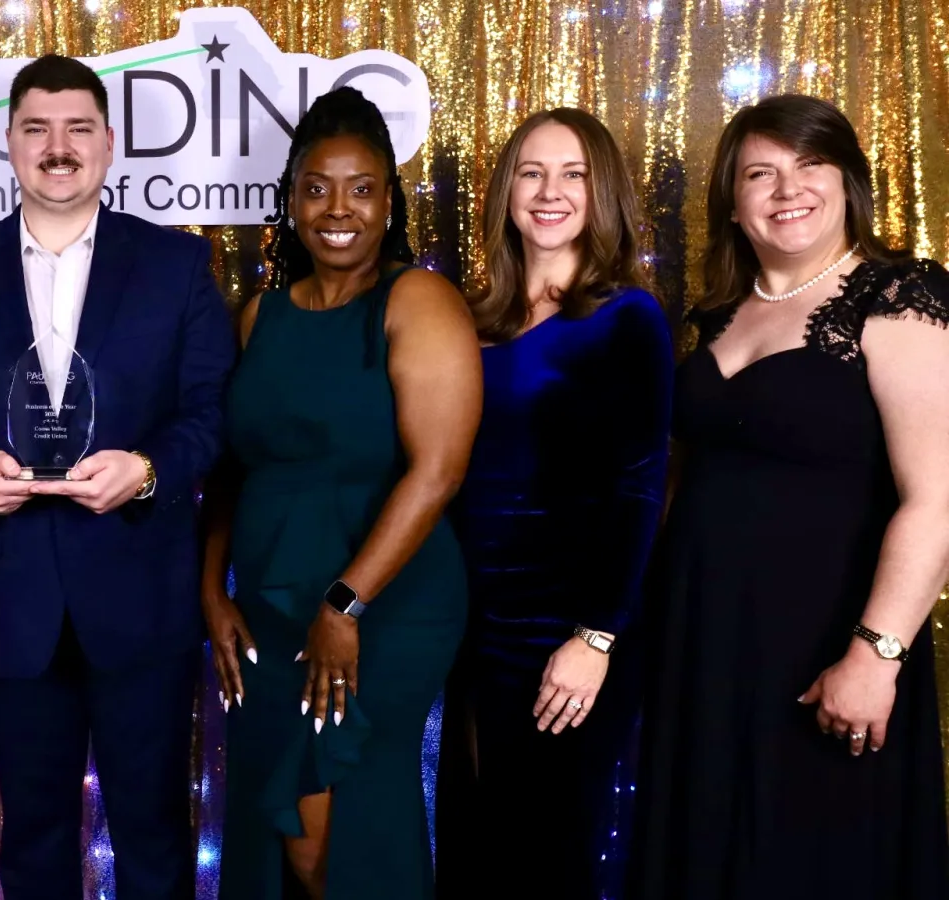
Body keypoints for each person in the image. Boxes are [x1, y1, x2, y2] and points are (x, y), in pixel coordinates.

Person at [0, 54, 234, 900]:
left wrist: (149, 470)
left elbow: (212, 413)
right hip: (16, 603)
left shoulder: (175, 266)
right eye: (37, 129)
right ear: (7, 143)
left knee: (153, 832)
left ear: (109, 144)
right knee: (35, 839)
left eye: (78, 127)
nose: (58, 146)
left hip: (141, 601)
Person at [629, 94, 949, 899]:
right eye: (760, 174)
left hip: (825, 647)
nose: (786, 190)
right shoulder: (720, 315)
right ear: (732, 204)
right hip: (705, 645)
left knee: (813, 858)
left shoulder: (898, 296)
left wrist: (876, 657)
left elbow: (938, 498)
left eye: (810, 166)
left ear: (848, 182)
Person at [200, 86, 482, 900]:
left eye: (361, 189)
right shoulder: (260, 315)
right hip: (268, 606)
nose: (338, 208)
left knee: (339, 819)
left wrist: (343, 606)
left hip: (383, 605)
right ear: (289, 201)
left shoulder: (418, 301)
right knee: (282, 819)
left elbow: (439, 472)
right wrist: (210, 592)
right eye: (317, 187)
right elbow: (233, 468)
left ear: (389, 202)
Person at [434, 109, 672, 899]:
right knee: (477, 841)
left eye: (573, 174)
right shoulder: (472, 319)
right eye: (532, 172)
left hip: (564, 630)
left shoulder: (625, 317)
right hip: (473, 621)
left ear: (600, 192)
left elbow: (641, 483)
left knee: (545, 845)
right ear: (506, 192)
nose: (550, 191)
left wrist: (595, 636)